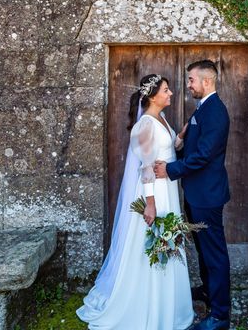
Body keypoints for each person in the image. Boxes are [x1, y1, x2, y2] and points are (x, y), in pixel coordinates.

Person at [76, 74, 195, 330]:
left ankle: (169, 304)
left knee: (168, 241)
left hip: (168, 190)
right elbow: (146, 167)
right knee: (152, 243)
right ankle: (146, 306)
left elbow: (166, 150)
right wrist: (150, 204)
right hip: (154, 193)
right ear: (152, 97)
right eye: (166, 90)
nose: (171, 93)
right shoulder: (144, 126)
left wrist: (181, 136)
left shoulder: (161, 119)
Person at [154, 60, 231, 330]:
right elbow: (196, 149)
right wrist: (181, 143)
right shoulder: (203, 109)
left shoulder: (215, 112)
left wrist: (171, 169)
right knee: (203, 249)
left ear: (206, 81)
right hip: (197, 193)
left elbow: (204, 155)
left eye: (191, 80)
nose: (188, 85)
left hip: (208, 196)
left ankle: (220, 316)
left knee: (215, 254)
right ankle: (209, 291)